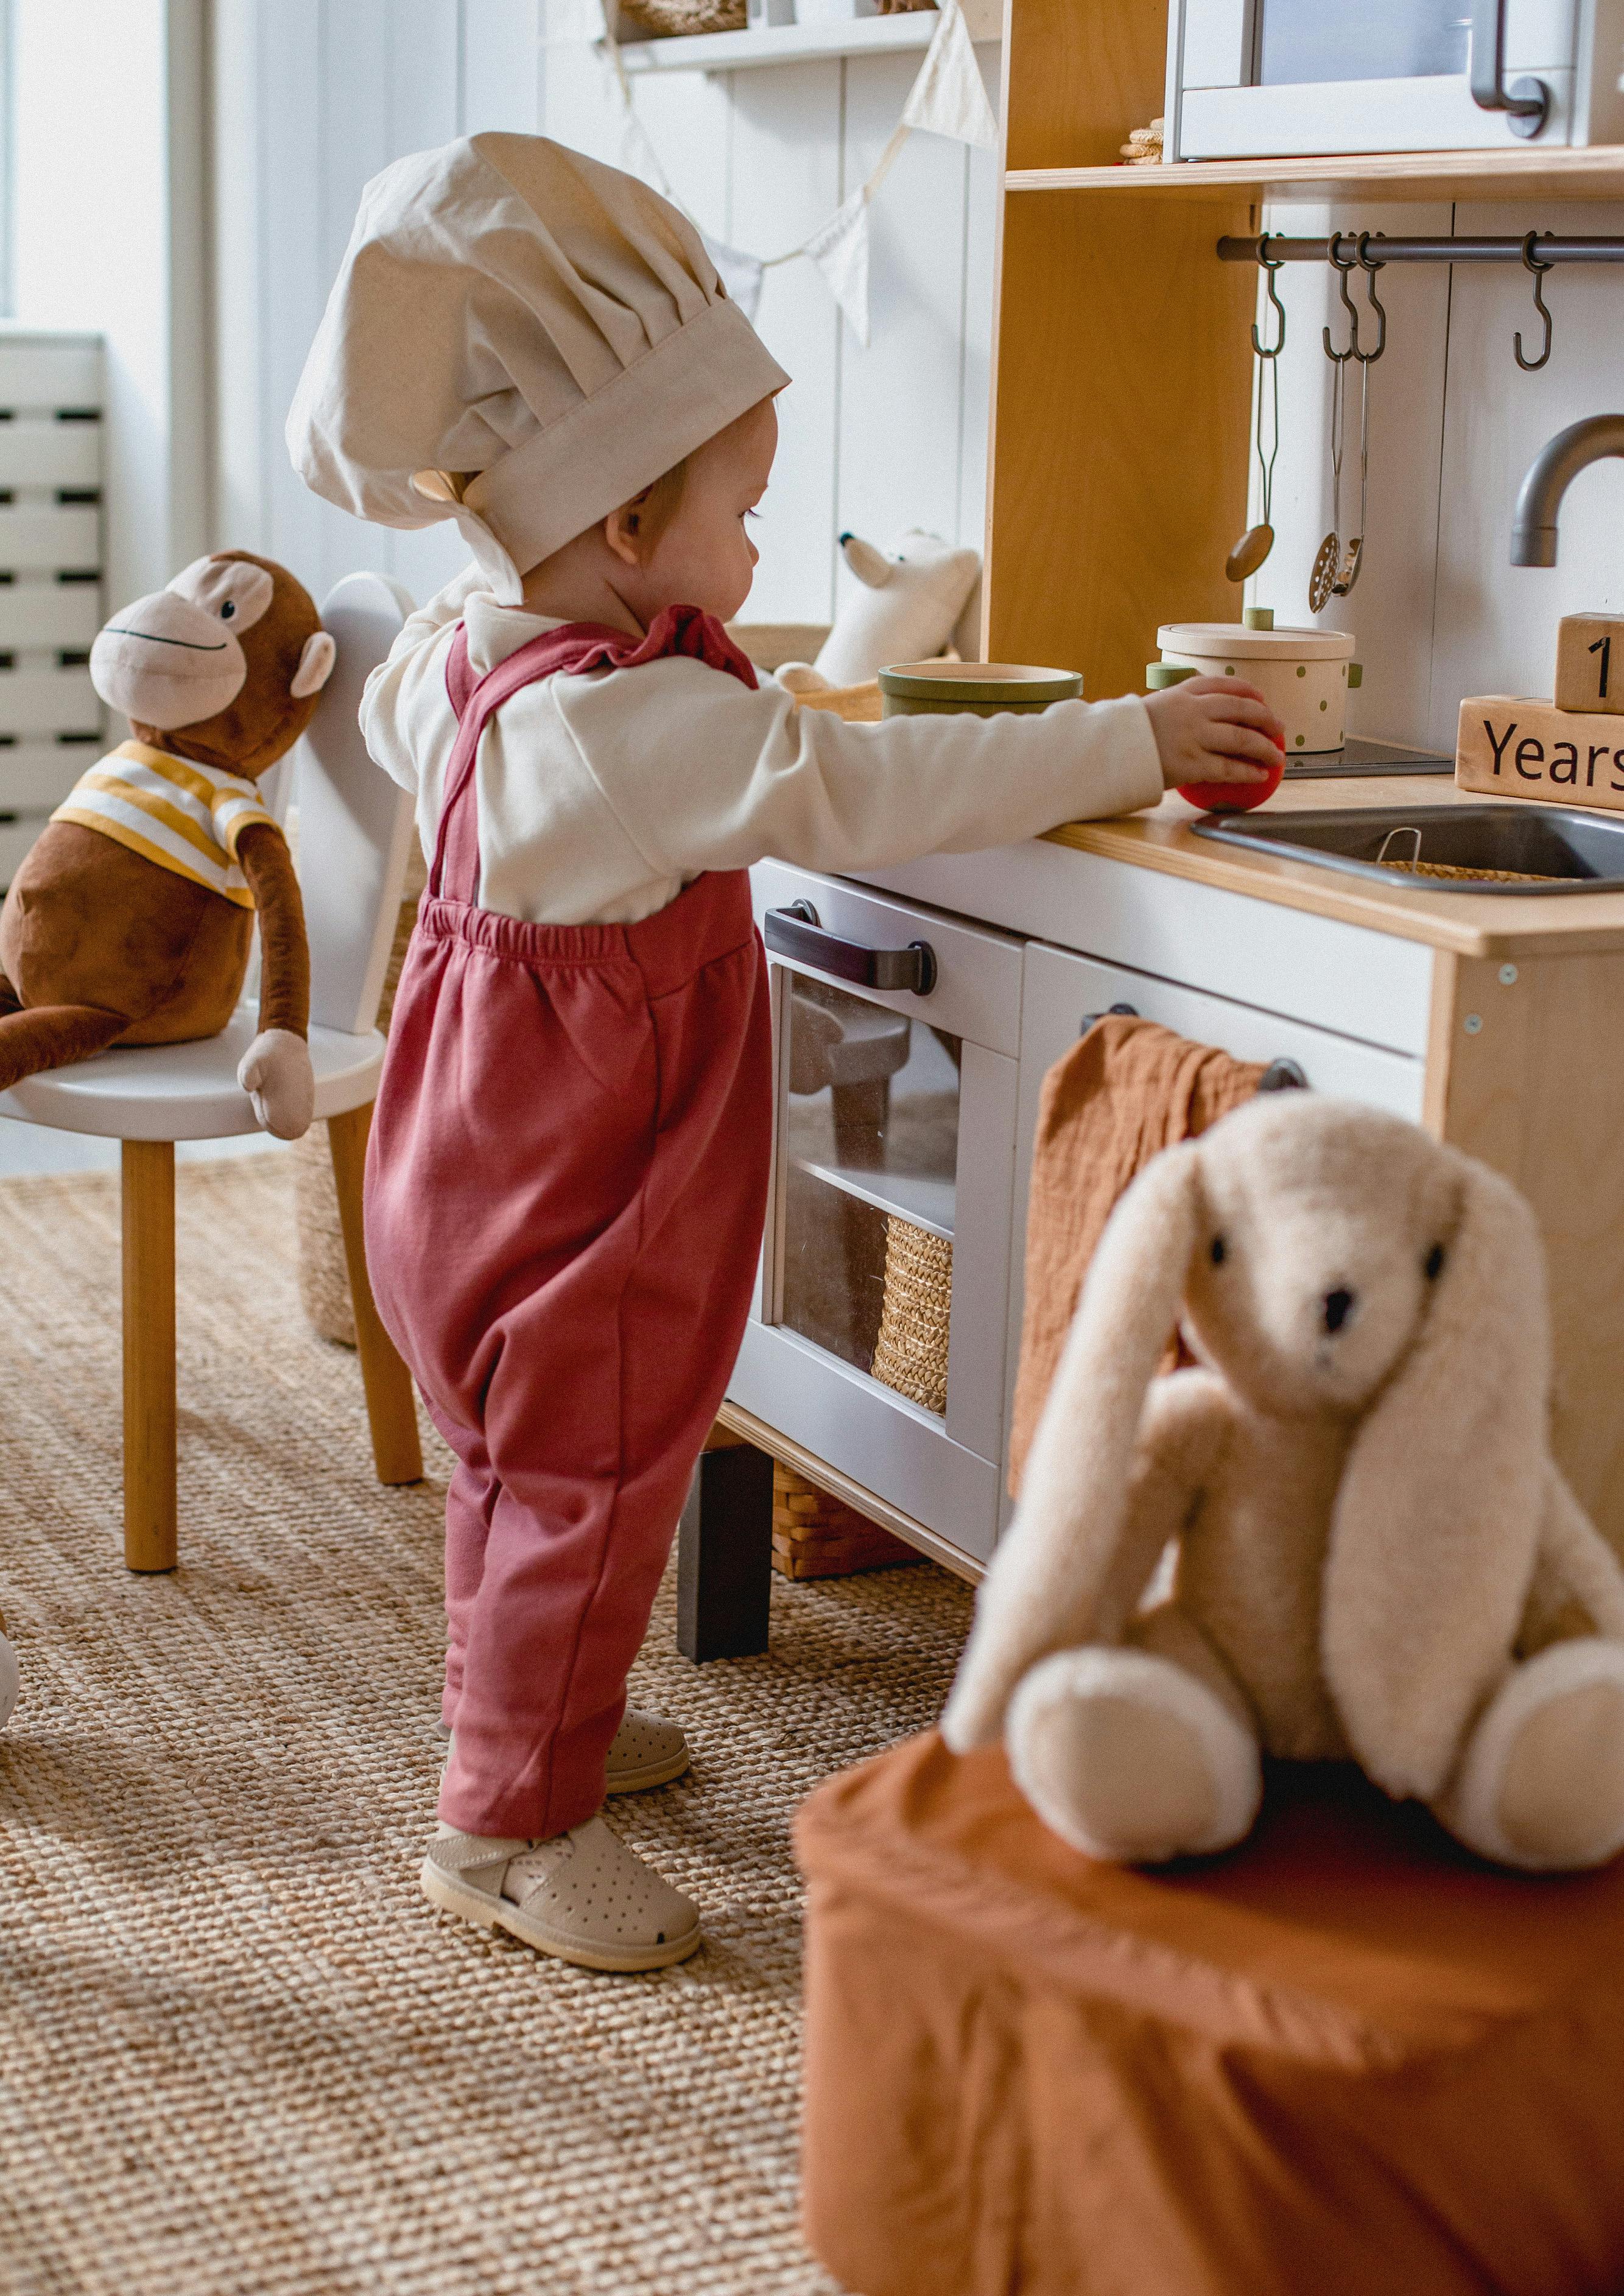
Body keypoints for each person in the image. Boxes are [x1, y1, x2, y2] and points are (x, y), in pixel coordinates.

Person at [289, 132, 1282, 1974]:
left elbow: (431, 676)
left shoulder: (463, 658)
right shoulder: (630, 727)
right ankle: (505, 1833)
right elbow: (860, 781)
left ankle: (533, 1730)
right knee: (582, 1482)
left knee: (522, 1485)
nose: (757, 551)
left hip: (455, 1164)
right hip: (594, 1189)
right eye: (743, 516)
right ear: (617, 531)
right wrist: (1127, 737)